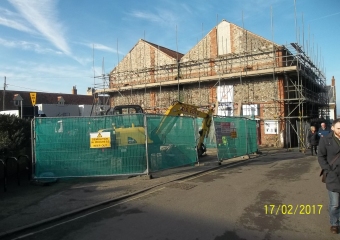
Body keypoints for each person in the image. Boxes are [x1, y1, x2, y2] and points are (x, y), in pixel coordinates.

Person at [318, 118, 340, 234]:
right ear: (332, 128)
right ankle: (335, 224)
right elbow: (320, 156)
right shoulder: (326, 140)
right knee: (335, 204)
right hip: (333, 176)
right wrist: (328, 170)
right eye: (338, 128)